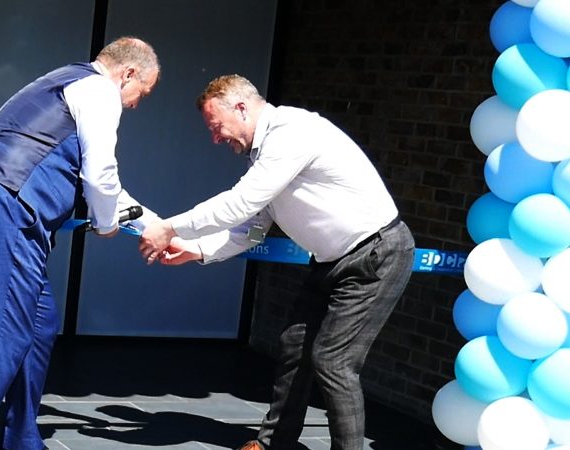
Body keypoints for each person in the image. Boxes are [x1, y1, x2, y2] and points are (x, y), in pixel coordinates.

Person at [139, 74, 415, 450]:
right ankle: (274, 444)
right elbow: (252, 231)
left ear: (241, 107)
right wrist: (198, 249)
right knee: (295, 346)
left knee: (333, 361)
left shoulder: (292, 132)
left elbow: (241, 203)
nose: (216, 138)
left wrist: (169, 227)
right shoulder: (267, 155)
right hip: (332, 261)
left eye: (216, 127)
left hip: (374, 256)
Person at [0, 36, 161, 450]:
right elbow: (100, 175)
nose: (134, 105)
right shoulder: (100, 91)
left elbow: (103, 186)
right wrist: (106, 225)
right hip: (5, 207)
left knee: (38, 323)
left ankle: (22, 436)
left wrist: (158, 226)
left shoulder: (61, 82)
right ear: (128, 73)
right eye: (141, 94)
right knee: (4, 336)